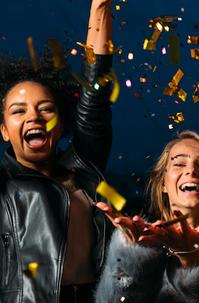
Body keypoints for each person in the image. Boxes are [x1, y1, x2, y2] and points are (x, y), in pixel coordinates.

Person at [0, 0, 115, 302]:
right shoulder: (3, 184)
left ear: (60, 125)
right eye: (18, 111)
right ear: (3, 130)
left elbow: (95, 94)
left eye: (45, 109)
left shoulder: (84, 169)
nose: (33, 117)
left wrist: (100, 6)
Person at [95, 130, 199, 303]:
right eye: (179, 164)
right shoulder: (145, 241)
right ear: (163, 183)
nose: (191, 170)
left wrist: (195, 262)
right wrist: (132, 257)